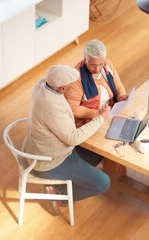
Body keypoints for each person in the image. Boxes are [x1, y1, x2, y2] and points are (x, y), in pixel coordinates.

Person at [23, 65, 111, 216]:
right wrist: (100, 119)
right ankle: (60, 195)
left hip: (44, 149)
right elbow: (73, 138)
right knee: (103, 183)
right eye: (70, 87)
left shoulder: (43, 85)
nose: (73, 88)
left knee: (103, 152)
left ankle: (73, 179)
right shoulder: (51, 106)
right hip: (52, 162)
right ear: (62, 89)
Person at [64, 39, 128, 127]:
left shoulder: (107, 65)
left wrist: (121, 96)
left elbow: (119, 86)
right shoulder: (76, 79)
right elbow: (73, 109)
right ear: (85, 59)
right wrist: (98, 114)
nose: (97, 69)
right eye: (93, 65)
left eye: (100, 64)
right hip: (88, 123)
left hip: (109, 113)